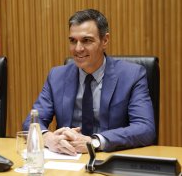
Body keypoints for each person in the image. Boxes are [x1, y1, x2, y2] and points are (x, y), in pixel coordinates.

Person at [23, 9, 155, 155]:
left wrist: (94, 142)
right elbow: (32, 121)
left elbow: (145, 128)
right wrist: (48, 138)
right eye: (73, 41)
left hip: (108, 157)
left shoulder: (132, 75)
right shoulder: (56, 76)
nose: (78, 48)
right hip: (67, 159)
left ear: (105, 40)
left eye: (86, 40)